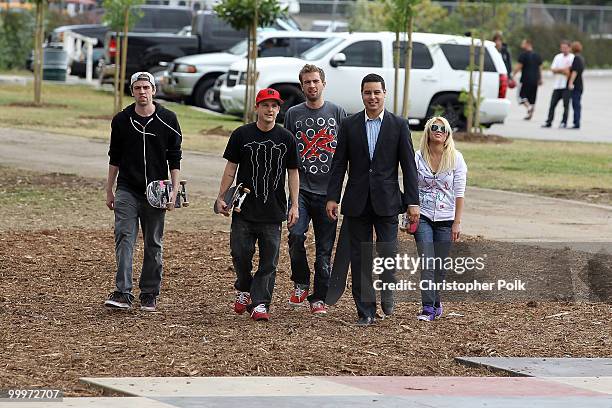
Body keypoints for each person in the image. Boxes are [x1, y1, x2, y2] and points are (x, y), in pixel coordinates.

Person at [326, 73, 419, 326]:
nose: (372, 97)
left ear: (384, 93)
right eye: (368, 93)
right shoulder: (349, 124)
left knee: (388, 253)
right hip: (357, 202)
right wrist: (332, 197)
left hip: (387, 201)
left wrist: (413, 202)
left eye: (377, 92)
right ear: (362, 95)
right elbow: (338, 164)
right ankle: (365, 311)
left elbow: (409, 166)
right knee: (361, 258)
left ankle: (388, 294)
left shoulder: (398, 125)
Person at [216, 88, 300, 322]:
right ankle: (244, 287)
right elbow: (231, 168)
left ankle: (261, 303)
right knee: (240, 253)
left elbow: (293, 173)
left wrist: (295, 205)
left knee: (269, 260)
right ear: (257, 107)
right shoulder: (241, 135)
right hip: (244, 208)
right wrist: (221, 196)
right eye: (266, 105)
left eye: (274, 106)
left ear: (278, 109)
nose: (270, 110)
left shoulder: (286, 138)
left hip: (273, 211)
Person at [104, 71, 183, 312]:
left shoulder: (168, 119)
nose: (142, 92)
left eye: (146, 88)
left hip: (156, 191)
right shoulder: (121, 120)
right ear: (132, 91)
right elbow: (114, 157)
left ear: (154, 91)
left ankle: (149, 292)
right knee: (125, 238)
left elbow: (175, 158)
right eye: (137, 88)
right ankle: (123, 292)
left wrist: (174, 190)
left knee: (153, 243)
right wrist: (110, 189)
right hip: (128, 188)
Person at [283, 64, 347, 315]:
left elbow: (345, 153)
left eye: (315, 81)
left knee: (324, 248)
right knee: (296, 236)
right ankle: (300, 281)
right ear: (302, 86)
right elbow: (287, 153)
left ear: (323, 83)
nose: (312, 86)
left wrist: (342, 193)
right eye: (307, 82)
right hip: (301, 191)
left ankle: (319, 296)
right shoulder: (293, 114)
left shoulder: (337, 112)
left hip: (328, 194)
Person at [412, 116, 467, 322]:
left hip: (446, 217)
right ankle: (427, 308)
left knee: (440, 265)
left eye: (442, 128)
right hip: (423, 215)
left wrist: (457, 222)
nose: (438, 130)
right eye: (434, 127)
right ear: (428, 132)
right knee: (427, 261)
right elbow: (411, 185)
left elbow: (459, 192)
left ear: (448, 134)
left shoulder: (456, 158)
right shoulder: (417, 157)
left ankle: (436, 303)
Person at [543, 40, 574, 128]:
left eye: (565, 48)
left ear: (569, 48)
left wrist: (559, 70)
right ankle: (549, 121)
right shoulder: (557, 57)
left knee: (566, 105)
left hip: (566, 85)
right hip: (557, 85)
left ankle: (563, 122)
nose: (564, 49)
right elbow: (553, 69)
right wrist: (562, 70)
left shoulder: (572, 58)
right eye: (562, 48)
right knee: (552, 104)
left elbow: (569, 71)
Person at [512, 39, 543, 120]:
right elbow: (540, 68)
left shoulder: (523, 55)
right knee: (532, 98)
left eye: (523, 43)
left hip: (525, 79)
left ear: (528, 44)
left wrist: (512, 75)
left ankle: (529, 107)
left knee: (521, 96)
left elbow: (519, 67)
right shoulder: (537, 55)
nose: (521, 45)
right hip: (535, 80)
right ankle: (530, 115)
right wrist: (540, 78)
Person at [566, 41, 585, 129]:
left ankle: (576, 123)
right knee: (576, 104)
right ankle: (576, 122)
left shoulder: (576, 58)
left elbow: (575, 72)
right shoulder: (581, 58)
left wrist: (570, 83)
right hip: (580, 84)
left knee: (576, 104)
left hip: (576, 85)